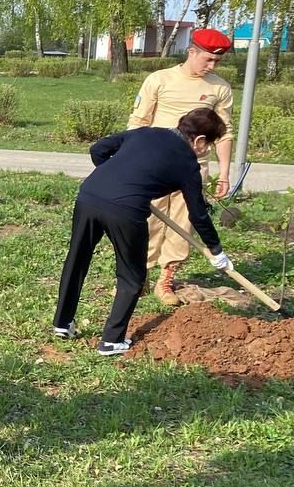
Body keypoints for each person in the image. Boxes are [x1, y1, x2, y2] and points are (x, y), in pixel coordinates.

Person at [53, 109, 231, 356]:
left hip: (89, 196)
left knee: (77, 258)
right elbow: (198, 213)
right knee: (132, 276)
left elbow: (98, 149)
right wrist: (216, 250)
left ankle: (62, 323)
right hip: (125, 211)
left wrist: (117, 180)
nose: (207, 150)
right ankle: (111, 341)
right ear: (200, 140)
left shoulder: (145, 133)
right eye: (209, 144)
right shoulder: (188, 163)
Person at [128, 27, 234, 305]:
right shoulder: (160, 80)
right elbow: (139, 121)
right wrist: (131, 157)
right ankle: (139, 275)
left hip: (194, 168)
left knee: (183, 224)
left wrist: (224, 173)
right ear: (192, 52)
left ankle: (166, 279)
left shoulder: (219, 88)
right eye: (207, 59)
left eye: (216, 62)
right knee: (148, 220)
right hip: (155, 164)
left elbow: (225, 132)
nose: (211, 66)